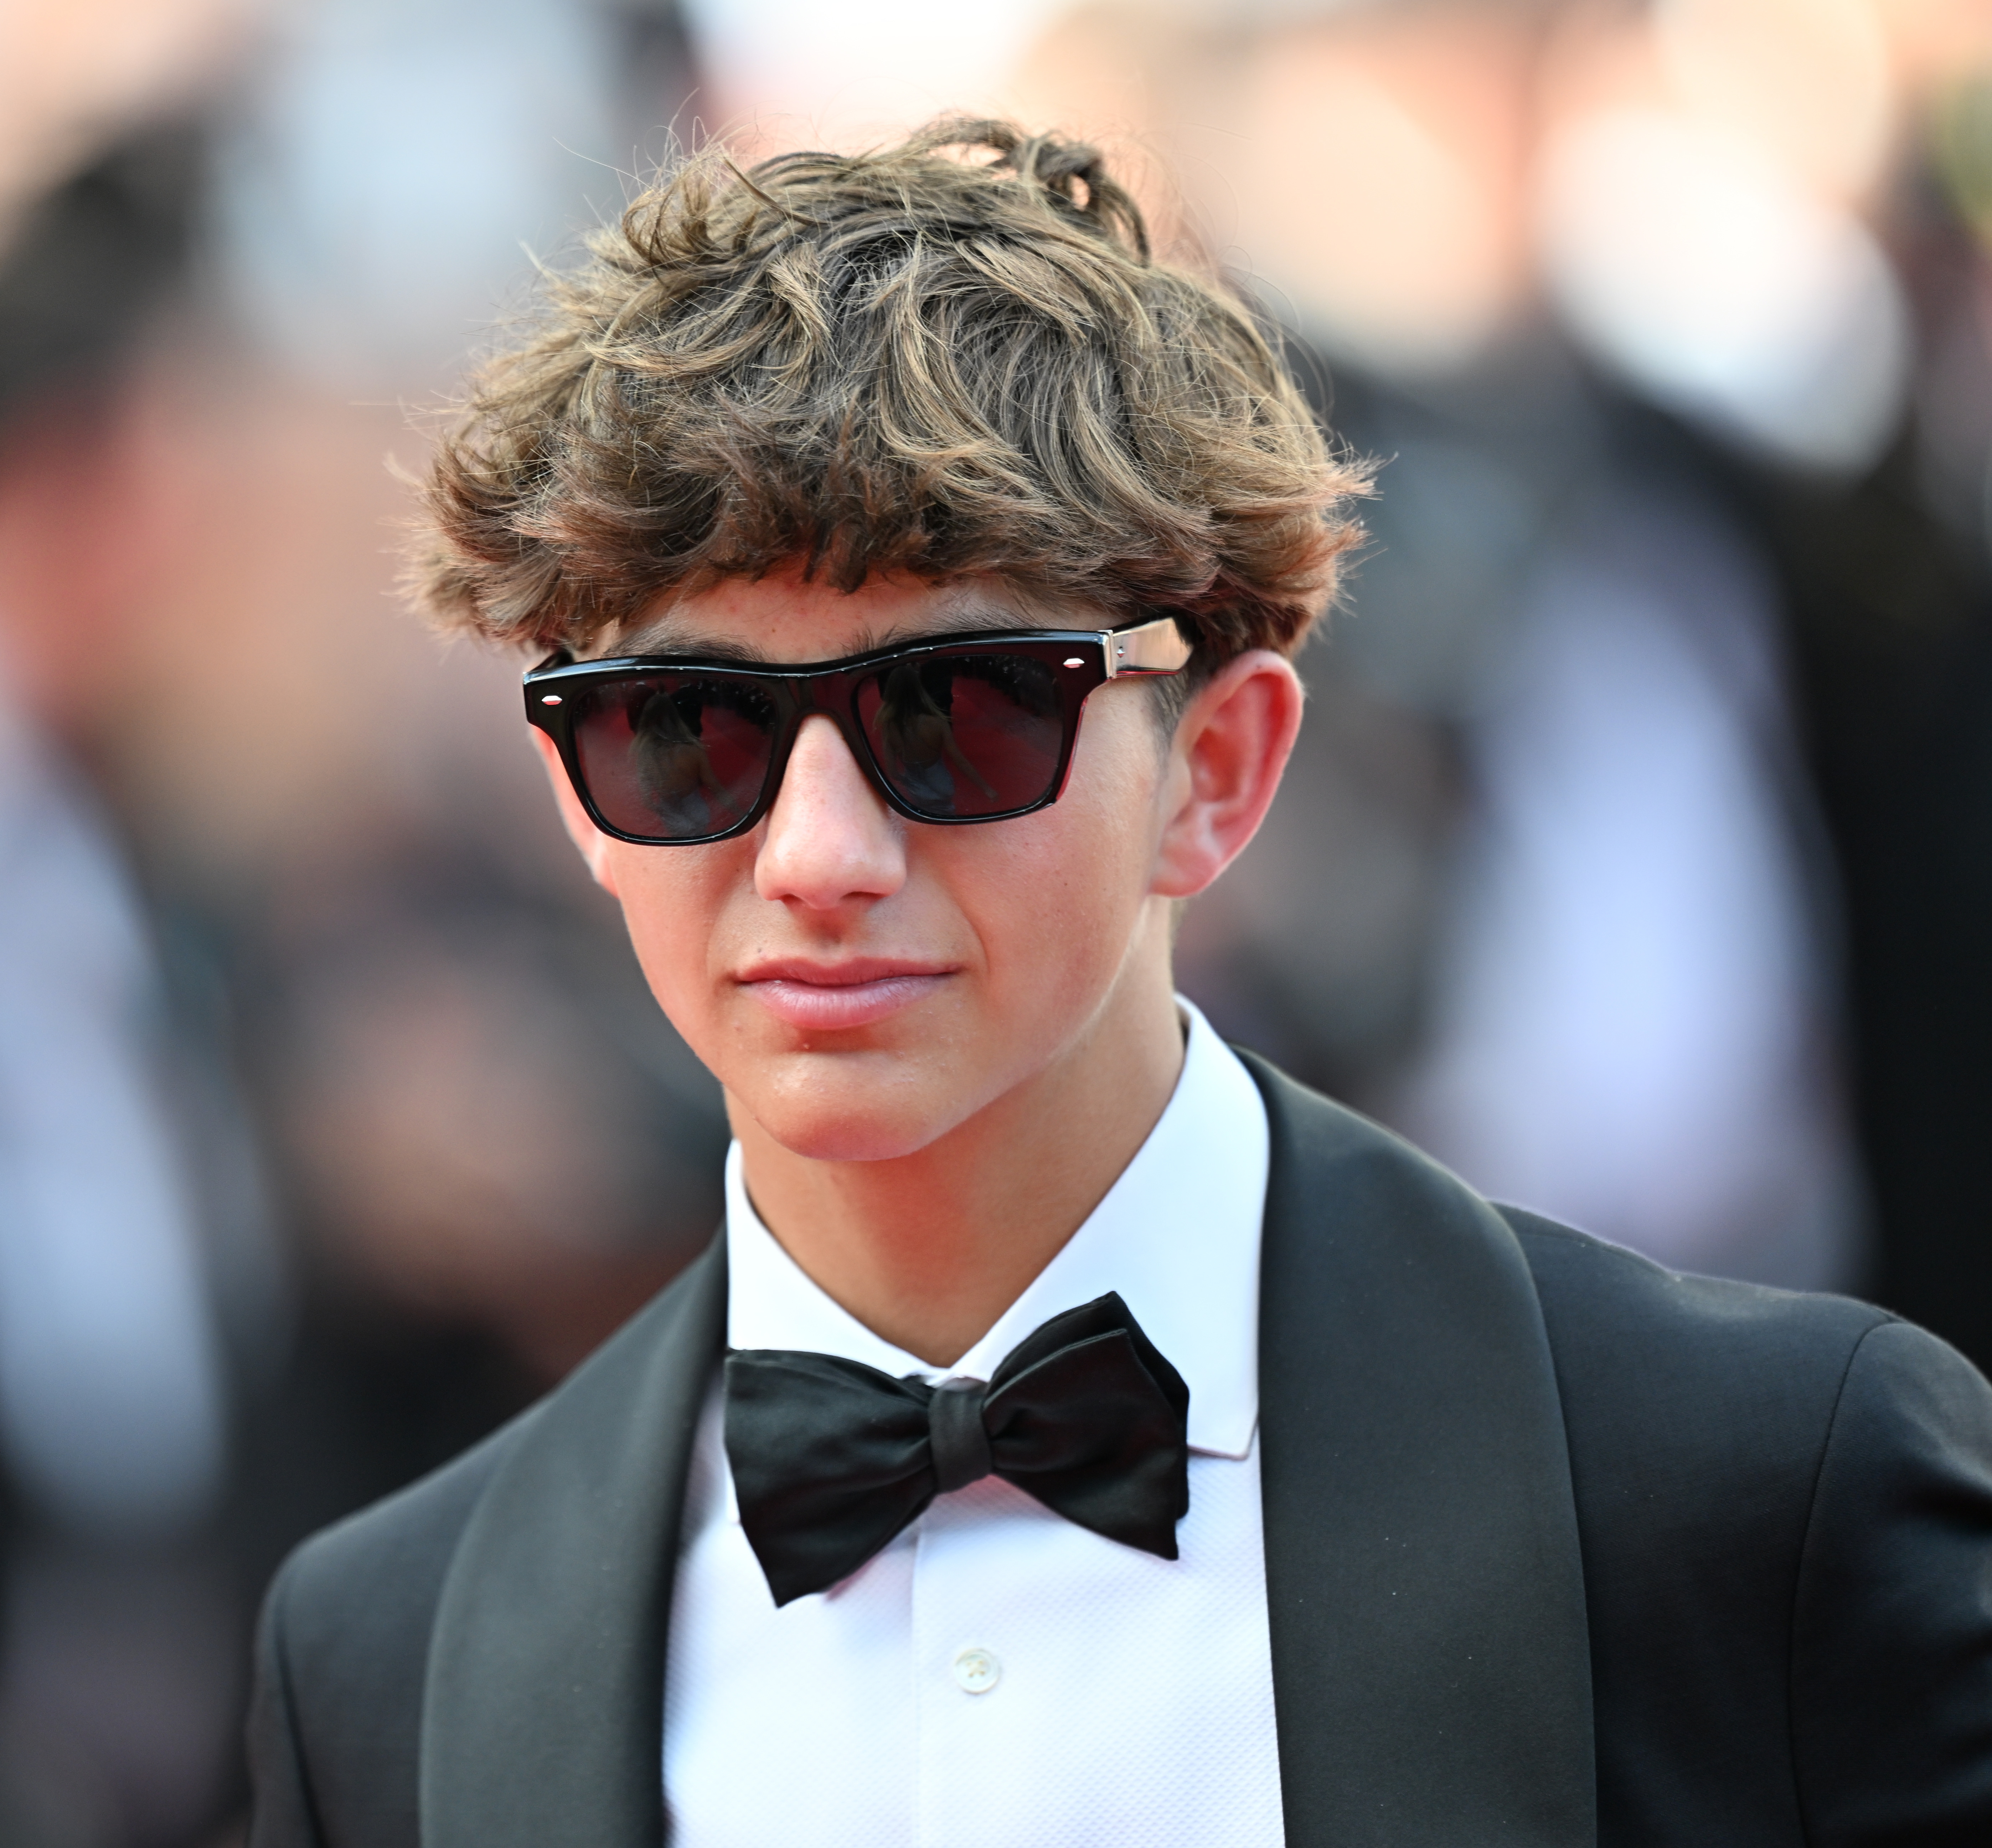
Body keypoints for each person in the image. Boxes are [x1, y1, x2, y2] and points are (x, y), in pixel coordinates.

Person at [245, 120, 1992, 1848]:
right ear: (575, 794)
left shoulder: (1771, 1497)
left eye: (961, 711)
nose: (817, 856)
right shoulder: (383, 1659)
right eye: (687, 734)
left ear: (1217, 768)